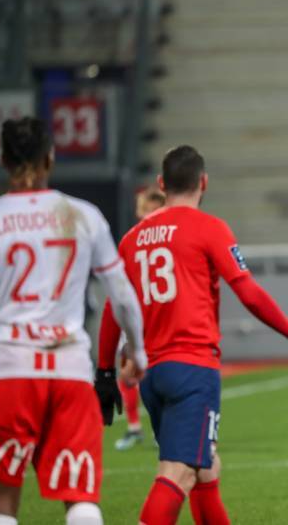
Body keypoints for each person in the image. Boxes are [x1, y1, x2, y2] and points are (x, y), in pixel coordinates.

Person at [97, 145, 288, 525]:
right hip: (192, 371)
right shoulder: (209, 228)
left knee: (206, 468)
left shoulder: (132, 240)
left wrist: (103, 372)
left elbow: (112, 308)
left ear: (162, 184)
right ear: (204, 182)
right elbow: (247, 292)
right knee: (178, 471)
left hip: (153, 375)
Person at [0, 117, 146, 525]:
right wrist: (138, 350)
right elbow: (120, 293)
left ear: (2, 160)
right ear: (50, 158)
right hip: (70, 373)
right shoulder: (84, 215)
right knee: (81, 499)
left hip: (11, 371)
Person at [114, 187, 165, 451]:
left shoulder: (134, 241)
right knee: (129, 374)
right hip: (137, 316)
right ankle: (137, 426)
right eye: (145, 209)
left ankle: (155, 427)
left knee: (149, 374)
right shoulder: (133, 241)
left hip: (154, 318)